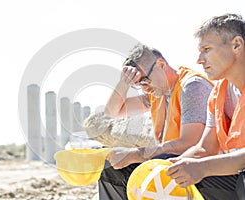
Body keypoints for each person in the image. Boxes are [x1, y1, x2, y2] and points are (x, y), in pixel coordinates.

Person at [99, 43, 214, 199]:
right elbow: (112, 112)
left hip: (204, 169)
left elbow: (190, 144)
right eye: (138, 84)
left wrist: (135, 154)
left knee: (157, 162)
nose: (144, 88)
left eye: (145, 80)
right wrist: (123, 83)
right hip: (171, 162)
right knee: (111, 169)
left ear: (160, 64)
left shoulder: (192, 87)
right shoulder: (155, 95)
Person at [166, 13, 245, 200]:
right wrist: (173, 166)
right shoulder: (217, 94)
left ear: (237, 45)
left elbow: (206, 163)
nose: (199, 60)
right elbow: (205, 149)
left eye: (206, 49)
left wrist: (204, 167)